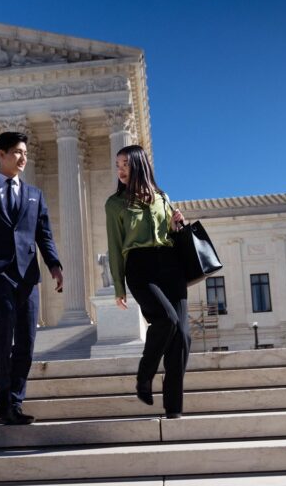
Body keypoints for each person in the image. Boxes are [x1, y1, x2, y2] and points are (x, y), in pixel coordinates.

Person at [0, 131, 63, 426]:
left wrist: (54, 264)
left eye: (25, 153)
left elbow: (44, 234)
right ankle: (5, 394)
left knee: (27, 340)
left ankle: (14, 400)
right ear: (1, 154)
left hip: (28, 274)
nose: (23, 158)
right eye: (17, 152)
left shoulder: (35, 194)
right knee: (4, 327)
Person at [104, 145, 188, 419]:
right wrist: (118, 287)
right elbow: (115, 247)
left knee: (182, 338)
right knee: (167, 320)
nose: (120, 170)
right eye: (118, 165)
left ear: (139, 164)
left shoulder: (162, 197)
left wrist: (178, 225)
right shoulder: (114, 204)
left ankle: (173, 408)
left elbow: (173, 235)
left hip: (171, 266)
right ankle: (144, 375)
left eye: (125, 164)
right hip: (140, 267)